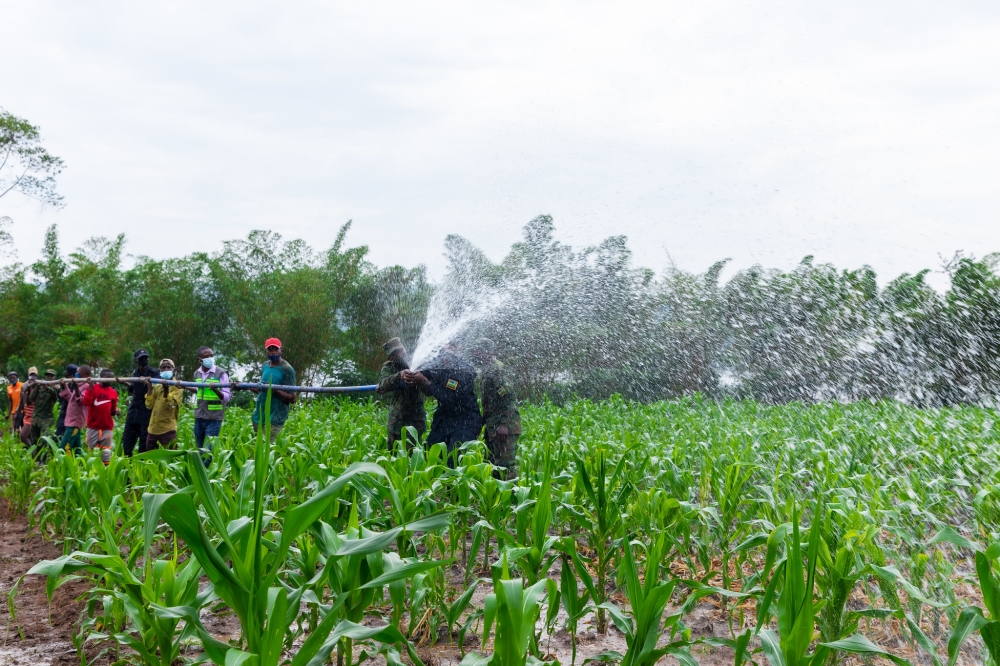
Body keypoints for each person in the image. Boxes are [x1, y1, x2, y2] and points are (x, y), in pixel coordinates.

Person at [402, 342, 482, 466]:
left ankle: (453, 485)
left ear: (457, 348)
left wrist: (423, 381)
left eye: (451, 346)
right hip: (444, 419)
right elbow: (424, 375)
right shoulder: (437, 364)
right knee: (429, 453)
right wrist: (410, 374)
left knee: (454, 458)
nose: (446, 352)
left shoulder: (462, 369)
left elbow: (448, 398)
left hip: (465, 420)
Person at [470, 339, 522, 479]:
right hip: (493, 425)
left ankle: (512, 499)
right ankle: (497, 498)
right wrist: (482, 423)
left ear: (486, 352)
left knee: (505, 467)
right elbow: (490, 403)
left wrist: (503, 423)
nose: (474, 354)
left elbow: (508, 397)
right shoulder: (487, 370)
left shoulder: (497, 370)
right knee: (493, 465)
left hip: (504, 426)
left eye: (477, 351)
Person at [376, 337, 426, 450]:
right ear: (390, 357)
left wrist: (420, 378)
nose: (399, 355)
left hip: (415, 419)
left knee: (413, 453)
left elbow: (429, 385)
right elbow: (383, 384)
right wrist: (399, 376)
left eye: (400, 351)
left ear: (404, 350)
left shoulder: (416, 362)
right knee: (393, 451)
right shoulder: (389, 367)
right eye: (395, 353)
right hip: (396, 419)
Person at [184, 346, 230, 465]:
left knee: (207, 452)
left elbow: (227, 397)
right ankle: (202, 476)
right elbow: (199, 390)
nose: (210, 358)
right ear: (200, 360)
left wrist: (216, 390)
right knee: (200, 450)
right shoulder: (197, 373)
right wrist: (185, 386)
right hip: (199, 417)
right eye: (206, 356)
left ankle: (206, 479)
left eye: (211, 355)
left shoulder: (221, 373)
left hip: (214, 419)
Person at [251, 338, 297, 442]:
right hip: (260, 415)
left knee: (266, 449)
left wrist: (273, 389)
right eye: (270, 349)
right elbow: (262, 390)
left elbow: (293, 398)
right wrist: (245, 386)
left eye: (275, 349)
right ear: (266, 351)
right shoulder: (265, 366)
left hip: (275, 417)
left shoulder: (287, 369)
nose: (273, 352)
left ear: (281, 350)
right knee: (257, 448)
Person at [122, 349, 160, 457]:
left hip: (146, 410)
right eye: (141, 359)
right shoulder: (135, 373)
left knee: (144, 443)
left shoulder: (154, 373)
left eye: (145, 358)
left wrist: (149, 383)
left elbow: (159, 389)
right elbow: (135, 389)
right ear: (136, 361)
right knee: (127, 441)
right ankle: (128, 466)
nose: (143, 360)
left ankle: (141, 468)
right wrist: (127, 384)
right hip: (134, 410)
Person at [143, 359, 184, 452]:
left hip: (167, 429)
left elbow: (171, 405)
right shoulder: (157, 386)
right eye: (163, 368)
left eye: (168, 367)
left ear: (173, 369)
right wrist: (149, 388)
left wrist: (166, 390)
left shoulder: (178, 387)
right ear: (160, 370)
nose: (166, 369)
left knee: (170, 459)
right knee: (151, 458)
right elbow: (149, 405)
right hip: (152, 428)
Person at [83, 369, 119, 465]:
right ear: (101, 377)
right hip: (93, 427)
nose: (110, 379)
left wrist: (116, 412)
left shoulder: (113, 392)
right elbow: (86, 402)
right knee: (91, 453)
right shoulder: (93, 388)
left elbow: (112, 411)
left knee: (106, 454)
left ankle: (106, 473)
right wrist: (90, 387)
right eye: (108, 377)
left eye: (112, 377)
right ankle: (91, 473)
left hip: (107, 427)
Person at [58, 365, 91, 455]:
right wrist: (65, 386)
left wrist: (75, 387)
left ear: (83, 373)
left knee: (64, 447)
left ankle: (67, 465)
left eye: (78, 371)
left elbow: (81, 401)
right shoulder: (80, 385)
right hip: (71, 420)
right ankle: (80, 466)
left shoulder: (87, 386)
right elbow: (71, 399)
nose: (76, 373)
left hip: (75, 422)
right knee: (77, 449)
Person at [24, 369, 59, 450]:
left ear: (54, 377)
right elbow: (32, 398)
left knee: (44, 440)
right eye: (48, 375)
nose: (49, 377)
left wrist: (47, 387)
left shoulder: (56, 388)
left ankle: (43, 459)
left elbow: (55, 396)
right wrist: (33, 388)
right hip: (36, 417)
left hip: (46, 419)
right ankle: (36, 459)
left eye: (51, 376)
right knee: (34, 440)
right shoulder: (40, 386)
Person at [15, 368, 39, 445]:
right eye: (31, 375)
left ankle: (34, 451)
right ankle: (33, 452)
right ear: (28, 375)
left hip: (34, 414)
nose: (32, 377)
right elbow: (22, 399)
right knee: (27, 435)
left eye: (34, 375)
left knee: (23, 435)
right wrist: (18, 408)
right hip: (27, 413)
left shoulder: (39, 385)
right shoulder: (25, 385)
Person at [55, 364, 78, 438]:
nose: (67, 376)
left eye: (69, 374)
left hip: (73, 414)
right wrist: (60, 388)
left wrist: (65, 387)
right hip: (64, 411)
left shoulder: (78, 385)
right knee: (58, 433)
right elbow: (61, 399)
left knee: (69, 435)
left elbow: (72, 399)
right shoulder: (68, 384)